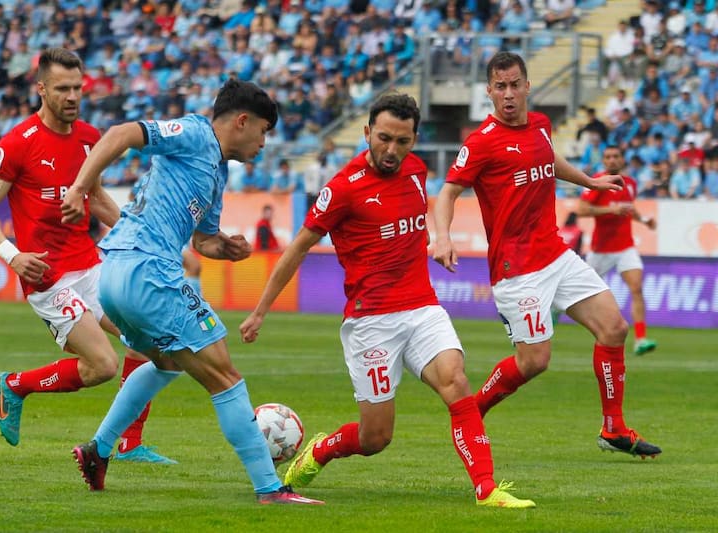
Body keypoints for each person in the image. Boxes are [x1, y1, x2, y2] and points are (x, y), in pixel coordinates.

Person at [239, 93, 536, 509]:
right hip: (371, 322)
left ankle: (487, 488)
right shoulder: (343, 188)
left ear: (415, 140)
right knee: (375, 437)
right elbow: (298, 248)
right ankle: (321, 451)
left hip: (422, 307)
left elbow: (420, 214)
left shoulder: (416, 171)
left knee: (457, 383)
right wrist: (260, 310)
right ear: (366, 134)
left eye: (402, 141)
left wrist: (440, 238)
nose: (392, 150)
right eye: (383, 139)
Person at [60, 79, 322, 505]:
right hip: (148, 270)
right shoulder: (196, 133)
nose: (263, 142)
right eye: (263, 131)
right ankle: (270, 488)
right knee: (225, 377)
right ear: (242, 121)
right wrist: (79, 187)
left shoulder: (216, 173)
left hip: (115, 276)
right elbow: (123, 134)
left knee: (165, 363)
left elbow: (203, 242)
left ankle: (98, 450)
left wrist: (227, 249)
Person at [433, 52, 661, 459]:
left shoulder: (540, 125)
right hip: (516, 270)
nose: (507, 94)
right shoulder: (481, 143)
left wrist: (588, 180)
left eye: (514, 84)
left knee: (614, 328)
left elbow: (549, 160)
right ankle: (472, 410)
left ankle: (614, 428)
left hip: (556, 253)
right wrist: (443, 237)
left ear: (527, 86)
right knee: (535, 361)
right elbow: (448, 192)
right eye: (499, 87)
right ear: (489, 90)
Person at [0, 48, 174, 464]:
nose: (72, 96)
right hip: (48, 277)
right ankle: (14, 384)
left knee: (152, 340)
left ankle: (130, 444)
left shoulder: (88, 138)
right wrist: (12, 255)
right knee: (102, 365)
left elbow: (96, 197)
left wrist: (137, 237)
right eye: (62, 88)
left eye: (78, 88)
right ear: (41, 89)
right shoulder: (17, 145)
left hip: (91, 266)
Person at [577, 146, 658, 356]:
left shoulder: (630, 183)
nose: (612, 160)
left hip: (625, 247)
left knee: (637, 288)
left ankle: (640, 339)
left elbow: (629, 208)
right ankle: (554, 311)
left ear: (622, 160)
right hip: (600, 250)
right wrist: (610, 209)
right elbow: (582, 209)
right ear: (603, 161)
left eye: (616, 157)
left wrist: (645, 221)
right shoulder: (596, 182)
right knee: (578, 290)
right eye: (608, 157)